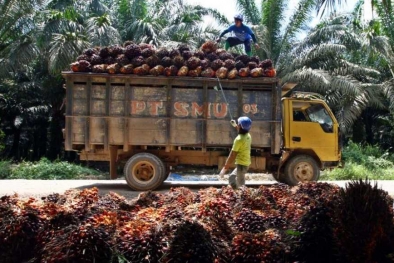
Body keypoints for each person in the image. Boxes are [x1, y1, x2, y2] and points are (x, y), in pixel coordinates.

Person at [221, 116, 252, 189]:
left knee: (240, 186)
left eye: (238, 124)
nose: (237, 125)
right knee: (232, 178)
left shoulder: (238, 140)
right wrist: (235, 125)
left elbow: (232, 155)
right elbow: (242, 130)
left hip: (241, 164)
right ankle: (237, 193)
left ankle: (242, 197)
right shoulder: (248, 135)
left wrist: (225, 168)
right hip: (245, 163)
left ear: (240, 126)